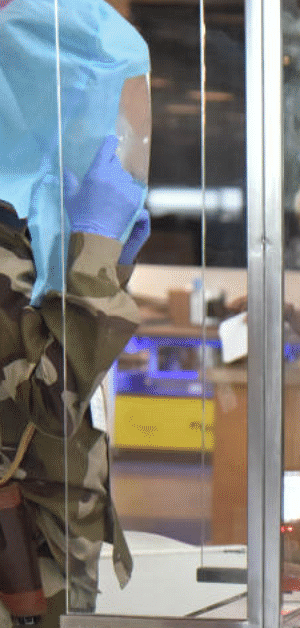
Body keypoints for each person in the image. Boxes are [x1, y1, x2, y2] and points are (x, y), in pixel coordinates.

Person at [1, 136, 149, 626]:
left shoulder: (16, 221)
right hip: (25, 563)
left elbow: (52, 346)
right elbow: (46, 403)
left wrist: (110, 263)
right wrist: (96, 250)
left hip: (52, 544)